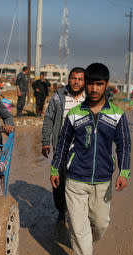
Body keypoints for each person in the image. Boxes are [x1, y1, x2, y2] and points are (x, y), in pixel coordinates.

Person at [50, 63, 131, 255]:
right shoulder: (75, 115)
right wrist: (55, 169)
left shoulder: (117, 115)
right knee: (78, 225)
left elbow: (124, 145)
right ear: (85, 84)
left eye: (99, 84)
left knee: (100, 223)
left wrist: (124, 171)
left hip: (103, 181)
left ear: (106, 85)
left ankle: (84, 242)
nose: (94, 88)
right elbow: (64, 144)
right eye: (91, 83)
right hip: (76, 179)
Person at [41, 67, 86, 223]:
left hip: (83, 149)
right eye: (74, 78)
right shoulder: (58, 96)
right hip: (61, 147)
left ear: (84, 81)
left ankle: (78, 213)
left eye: (80, 79)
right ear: (69, 79)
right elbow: (48, 119)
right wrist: (46, 142)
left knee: (80, 182)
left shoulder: (90, 98)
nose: (76, 82)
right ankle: (61, 211)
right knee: (59, 181)